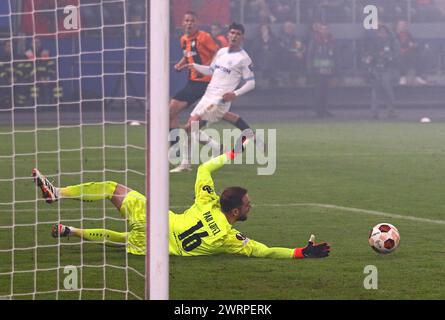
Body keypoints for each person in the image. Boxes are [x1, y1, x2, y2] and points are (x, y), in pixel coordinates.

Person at [33, 137, 330, 259]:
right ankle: (71, 228)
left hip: (155, 217)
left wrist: (237, 150)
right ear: (236, 212)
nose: (252, 205)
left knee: (112, 188)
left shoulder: (206, 200)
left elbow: (204, 167)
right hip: (158, 246)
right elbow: (264, 251)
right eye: (248, 203)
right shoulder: (229, 237)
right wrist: (300, 253)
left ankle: (58, 195)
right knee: (124, 240)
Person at [170, 22, 257, 173]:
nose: (234, 36)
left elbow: (251, 83)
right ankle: (191, 162)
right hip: (208, 95)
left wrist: (234, 94)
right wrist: (193, 66)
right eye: (232, 33)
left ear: (242, 37)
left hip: (220, 100)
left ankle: (190, 162)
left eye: (237, 34)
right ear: (228, 34)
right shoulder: (222, 52)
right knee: (189, 129)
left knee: (192, 124)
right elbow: (210, 70)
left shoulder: (244, 58)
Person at [362, 24, 399, 119]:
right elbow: (369, 54)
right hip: (376, 69)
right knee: (375, 92)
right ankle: (374, 112)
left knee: (388, 90)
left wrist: (386, 56)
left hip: (388, 69)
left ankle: (391, 111)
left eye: (383, 32)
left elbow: (396, 55)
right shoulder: (374, 42)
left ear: (387, 33)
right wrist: (371, 59)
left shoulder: (392, 42)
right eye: (380, 32)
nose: (382, 34)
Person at [306, 22, 336, 118]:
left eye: (326, 29)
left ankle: (325, 109)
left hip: (328, 71)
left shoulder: (332, 40)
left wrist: (335, 70)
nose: (325, 31)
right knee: (318, 91)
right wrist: (310, 70)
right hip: (317, 71)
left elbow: (336, 56)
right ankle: (318, 111)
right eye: (323, 29)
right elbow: (310, 56)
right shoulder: (315, 41)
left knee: (326, 92)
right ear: (319, 30)